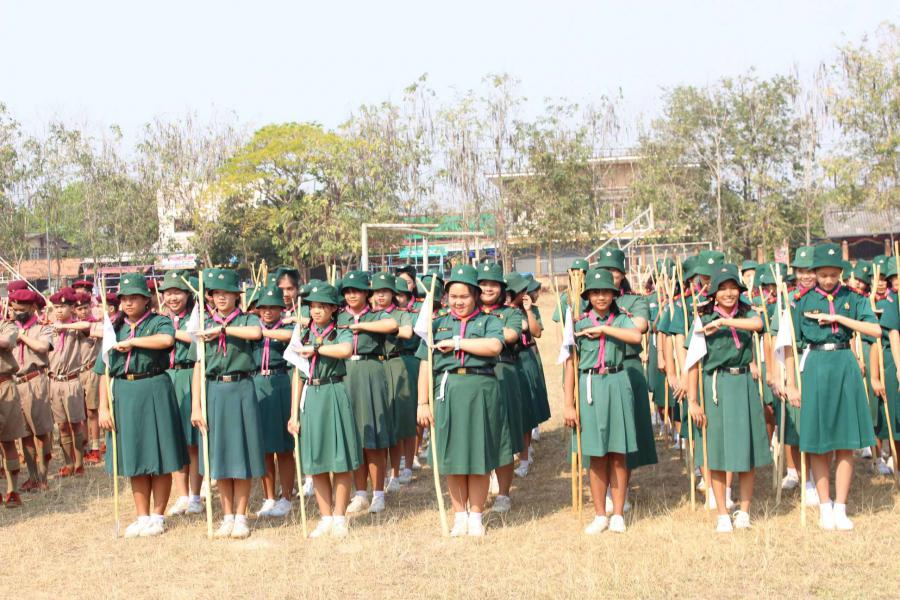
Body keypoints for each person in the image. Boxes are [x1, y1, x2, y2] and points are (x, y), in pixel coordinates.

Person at [784, 243, 880, 531]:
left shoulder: (853, 297)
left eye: (833, 275)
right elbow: (789, 345)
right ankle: (825, 506)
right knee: (818, 442)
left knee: (846, 442)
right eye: (822, 274)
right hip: (815, 366)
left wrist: (839, 318)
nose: (827, 280)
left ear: (841, 272)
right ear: (814, 273)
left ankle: (841, 507)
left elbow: (875, 330)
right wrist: (792, 384)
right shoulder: (801, 301)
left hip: (845, 363)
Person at [96, 273, 189, 537]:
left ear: (146, 299)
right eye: (124, 298)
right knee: (134, 456)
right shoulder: (114, 328)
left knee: (160, 455)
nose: (128, 303)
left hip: (154, 388)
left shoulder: (159, 321)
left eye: (134, 297)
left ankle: (158, 516)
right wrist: (103, 407)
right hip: (124, 392)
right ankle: (142, 516)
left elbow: (167, 340)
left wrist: (133, 342)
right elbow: (103, 370)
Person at [417, 264, 506, 536]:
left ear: (475, 295)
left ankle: (476, 516)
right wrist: (423, 402)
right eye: (453, 296)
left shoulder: (489, 321)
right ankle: (459, 517)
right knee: (452, 457)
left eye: (464, 296)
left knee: (478, 455)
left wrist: (457, 343)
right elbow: (425, 364)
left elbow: (494, 346)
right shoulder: (436, 324)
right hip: (448, 392)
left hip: (481, 391)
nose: (458, 302)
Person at [685, 264, 770, 532]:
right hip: (716, 386)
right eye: (723, 289)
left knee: (746, 451)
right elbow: (692, 363)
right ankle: (722, 512)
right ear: (714, 293)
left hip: (743, 383)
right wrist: (693, 401)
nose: (729, 293)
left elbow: (758, 324)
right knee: (717, 452)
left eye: (733, 288)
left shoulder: (747, 313)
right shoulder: (702, 319)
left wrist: (724, 322)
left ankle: (744, 511)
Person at [563, 269, 643, 534]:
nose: (601, 297)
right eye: (595, 292)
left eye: (606, 292)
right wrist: (568, 404)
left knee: (618, 453)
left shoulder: (620, 319)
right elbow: (570, 365)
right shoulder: (579, 324)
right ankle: (600, 514)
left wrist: (604, 329)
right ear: (587, 295)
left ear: (614, 294)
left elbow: (636, 336)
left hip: (616, 381)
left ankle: (618, 513)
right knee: (596, 454)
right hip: (590, 385)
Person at [190, 268, 265, 539]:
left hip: (241, 388)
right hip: (214, 390)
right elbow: (198, 366)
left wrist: (222, 329)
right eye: (216, 293)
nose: (221, 298)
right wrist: (196, 406)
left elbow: (256, 333)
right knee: (219, 456)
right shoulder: (203, 324)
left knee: (242, 454)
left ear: (237, 295)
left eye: (227, 293)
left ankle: (242, 516)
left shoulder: (245, 320)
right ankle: (227, 515)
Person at [287, 282, 360, 538]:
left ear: (333, 309)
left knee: (340, 460)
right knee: (315, 461)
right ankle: (325, 516)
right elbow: (297, 375)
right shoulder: (303, 334)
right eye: (312, 306)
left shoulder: (339, 332)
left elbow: (346, 350)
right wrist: (293, 414)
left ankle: (340, 517)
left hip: (333, 392)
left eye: (322, 306)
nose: (316, 311)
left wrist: (316, 349)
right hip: (311, 395)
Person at [596, 249, 658, 510]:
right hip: (596, 369)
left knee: (626, 432)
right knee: (600, 432)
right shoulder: (591, 300)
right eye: (605, 270)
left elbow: (639, 326)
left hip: (628, 366)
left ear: (622, 274)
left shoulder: (634, 300)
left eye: (615, 270)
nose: (611, 275)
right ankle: (603, 492)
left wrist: (612, 319)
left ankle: (622, 490)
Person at [339, 271, 398, 515]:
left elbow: (392, 325)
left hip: (369, 370)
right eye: (348, 291)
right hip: (344, 372)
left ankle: (378, 493)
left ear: (366, 293)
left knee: (374, 435)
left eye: (357, 290)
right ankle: (361, 493)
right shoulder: (339, 316)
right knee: (354, 436)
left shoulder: (376, 315)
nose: (352, 295)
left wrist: (359, 325)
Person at [476, 264, 525, 514]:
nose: (487, 288)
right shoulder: (467, 314)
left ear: (502, 288)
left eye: (493, 284)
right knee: (479, 435)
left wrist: (474, 335)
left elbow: (510, 335)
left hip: (503, 372)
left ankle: (504, 494)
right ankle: (480, 491)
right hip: (474, 377)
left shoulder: (511, 313)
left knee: (504, 437)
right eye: (483, 283)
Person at [157, 270, 204, 517]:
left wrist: (172, 334)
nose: (172, 298)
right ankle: (182, 495)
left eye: (177, 292)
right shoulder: (159, 320)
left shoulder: (197, 318)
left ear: (187, 294)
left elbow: (197, 340)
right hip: (166, 377)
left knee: (192, 442)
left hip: (188, 375)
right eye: (168, 293)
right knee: (174, 441)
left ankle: (196, 496)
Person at [252, 283, 295, 518]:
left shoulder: (287, 328)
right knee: (264, 447)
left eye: (273, 307)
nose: (268, 312)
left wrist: (263, 333)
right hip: (257, 383)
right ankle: (269, 497)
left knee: (284, 447)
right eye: (263, 307)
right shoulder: (251, 328)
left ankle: (286, 497)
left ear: (281, 308)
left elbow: (291, 337)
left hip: (280, 383)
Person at [370, 272, 416, 492]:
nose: (380, 296)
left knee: (398, 422)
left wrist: (389, 326)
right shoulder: (368, 315)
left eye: (385, 292)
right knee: (381, 422)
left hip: (395, 364)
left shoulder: (400, 314)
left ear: (393, 294)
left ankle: (396, 473)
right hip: (374, 366)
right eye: (376, 292)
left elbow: (407, 332)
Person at [9, 288, 54, 492]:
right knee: (24, 434)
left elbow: (42, 347)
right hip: (15, 383)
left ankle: (43, 476)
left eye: (22, 309)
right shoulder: (9, 328)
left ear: (33, 307)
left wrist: (22, 336)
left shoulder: (42, 328)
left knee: (40, 431)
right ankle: (32, 476)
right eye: (15, 308)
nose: (17, 312)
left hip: (34, 381)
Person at [47, 287, 88, 477]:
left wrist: (65, 327)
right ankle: (68, 463)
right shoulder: (49, 329)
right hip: (54, 381)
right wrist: (56, 326)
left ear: (72, 308)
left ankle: (79, 463)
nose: (59, 311)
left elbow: (87, 325)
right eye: (56, 307)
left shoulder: (75, 328)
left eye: (62, 307)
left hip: (71, 380)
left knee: (75, 423)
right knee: (62, 425)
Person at [0, 296, 30, 507]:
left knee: (8, 440)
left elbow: (7, 342)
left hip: (4, 387)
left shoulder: (7, 325)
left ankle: (12, 490)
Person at [74, 291, 103, 465]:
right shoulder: (72, 327)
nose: (83, 312)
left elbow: (90, 328)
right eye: (79, 309)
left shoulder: (97, 324)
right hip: (77, 373)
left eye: (85, 308)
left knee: (92, 411)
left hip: (91, 371)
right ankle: (83, 445)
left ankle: (95, 447)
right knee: (81, 413)